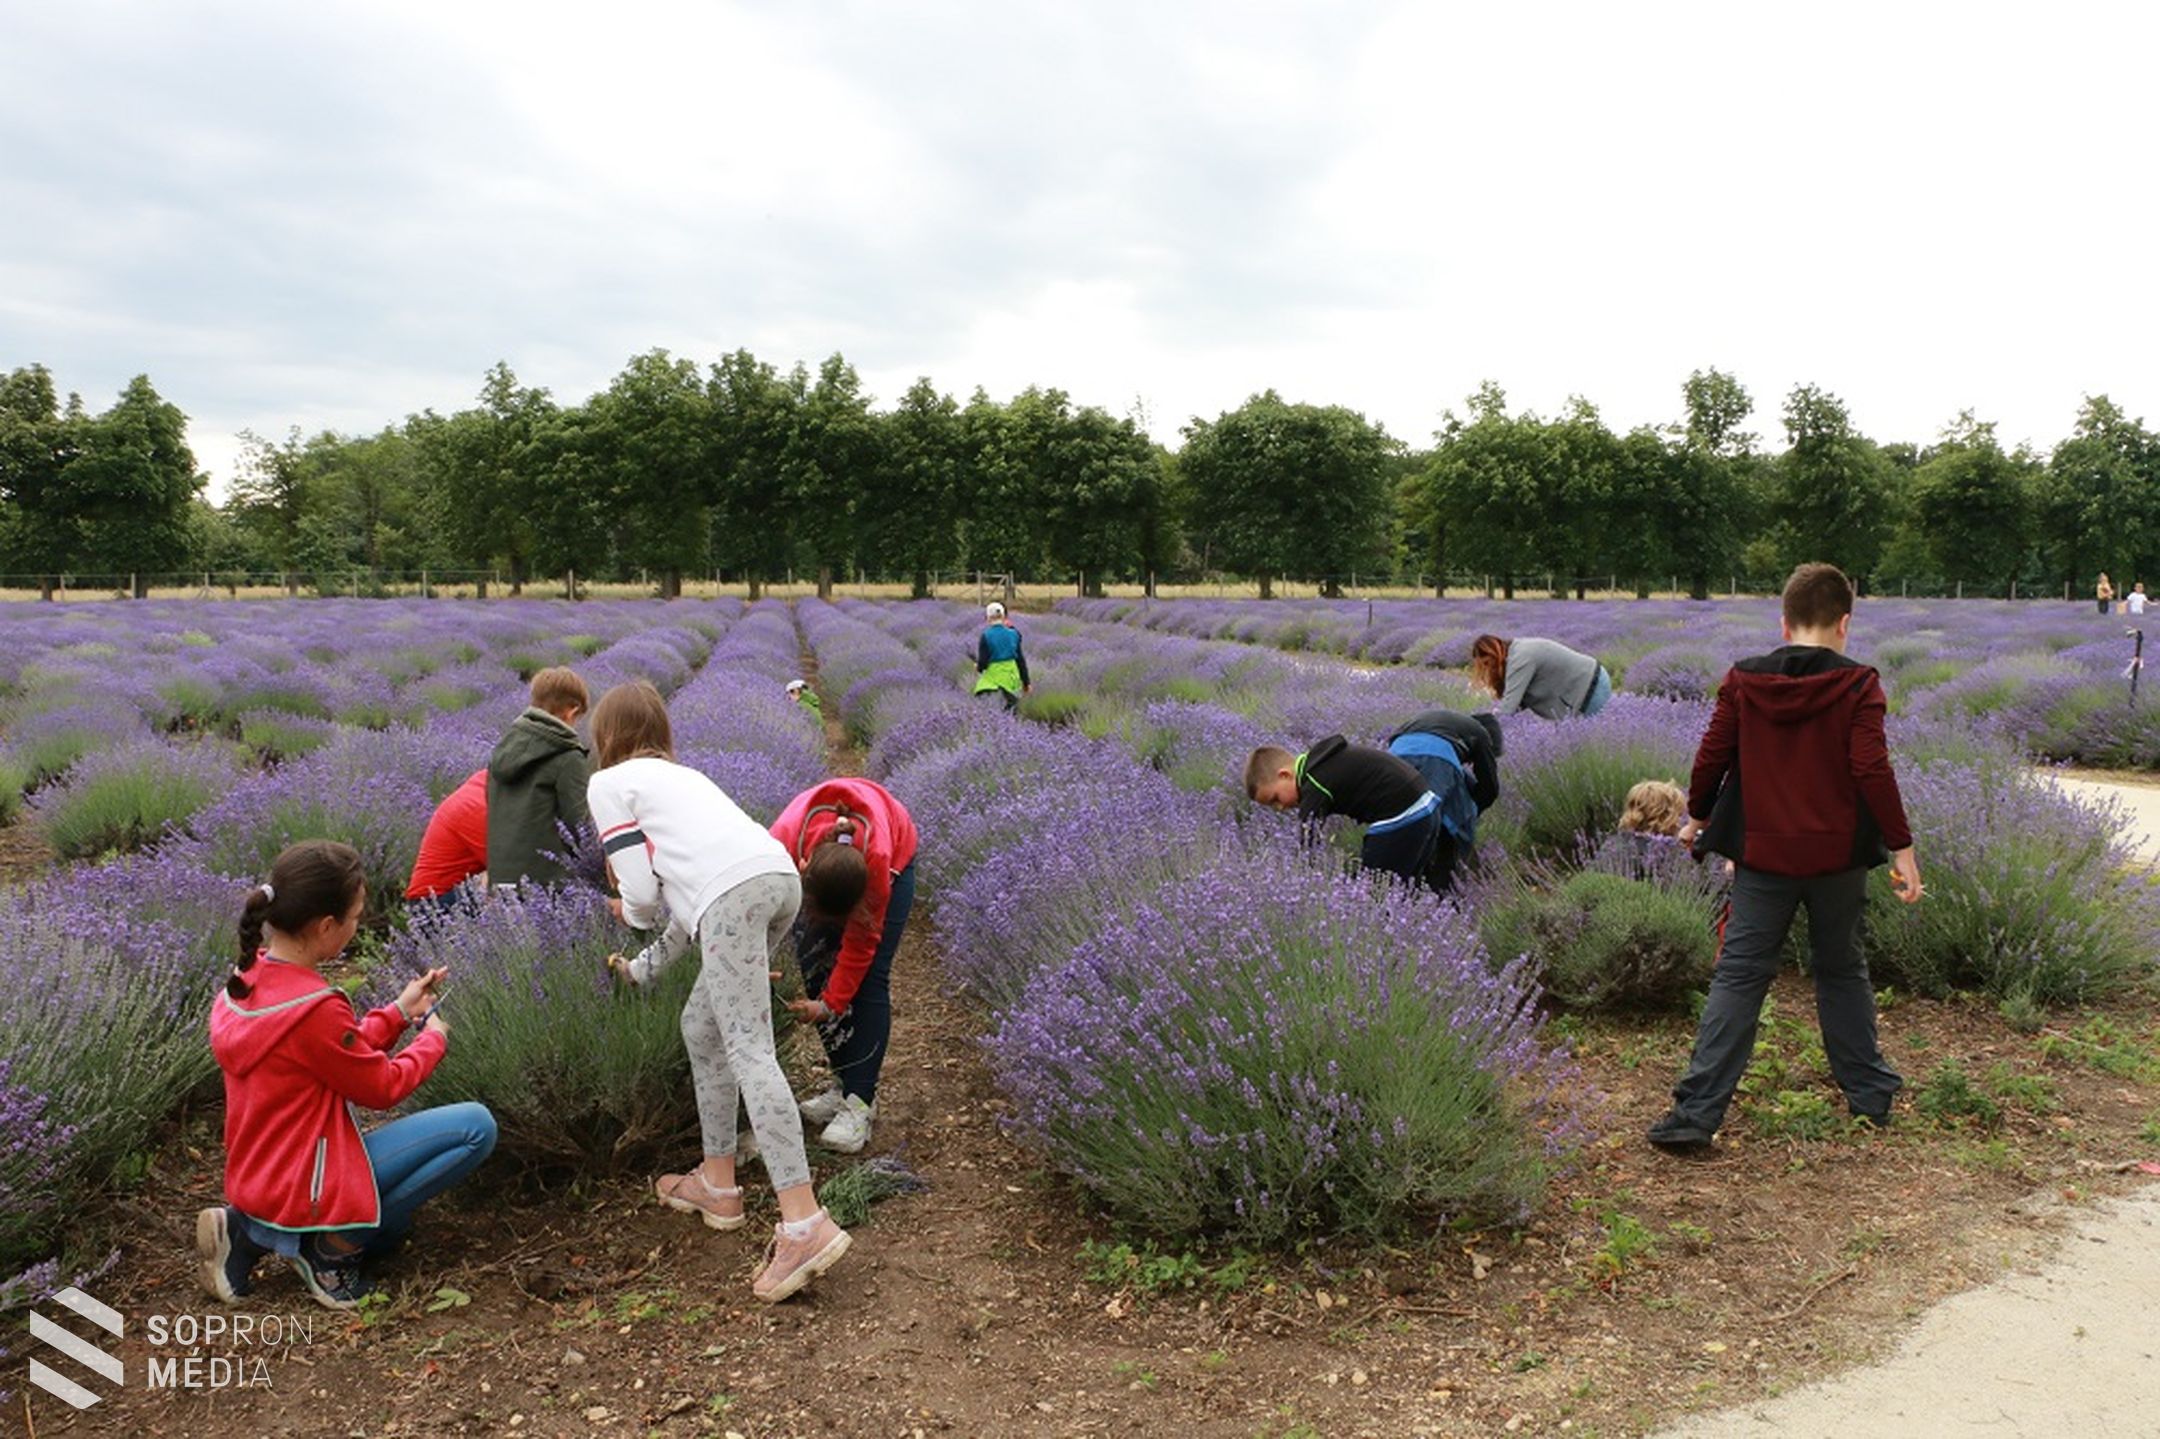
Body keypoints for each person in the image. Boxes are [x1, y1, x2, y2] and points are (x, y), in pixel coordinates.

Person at [1647, 563, 1923, 1156]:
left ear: (1785, 622)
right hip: (1838, 857)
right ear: (1845, 624)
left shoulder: (1745, 680)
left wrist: (1697, 818)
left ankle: (1695, 1115)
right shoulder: (1860, 684)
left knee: (1741, 974)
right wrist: (1901, 847)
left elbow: (1711, 756)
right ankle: (1870, 1098)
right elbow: (1871, 769)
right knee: (1842, 970)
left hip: (1763, 855)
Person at [589, 679, 850, 1303]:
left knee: (748, 1048)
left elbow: (648, 903)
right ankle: (717, 1181)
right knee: (702, 1029)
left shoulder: (609, 784)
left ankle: (804, 1222)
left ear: (606, 736)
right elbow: (690, 907)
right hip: (777, 878)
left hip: (736, 898)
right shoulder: (686, 780)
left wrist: (623, 906)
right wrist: (642, 969)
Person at [200, 840, 495, 1311]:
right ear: (325, 927)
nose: (357, 927)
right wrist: (433, 1038)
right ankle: (332, 1253)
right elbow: (382, 1087)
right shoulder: (314, 1008)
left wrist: (398, 1012)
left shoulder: (248, 977)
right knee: (475, 1128)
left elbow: (333, 1053)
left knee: (395, 1229)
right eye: (356, 917)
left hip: (258, 1175)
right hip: (307, 1181)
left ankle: (248, 1231)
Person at [767, 778, 919, 1153]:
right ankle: (842, 1084)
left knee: (868, 981)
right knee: (815, 964)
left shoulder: (878, 864)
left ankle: (860, 1101)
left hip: (895, 847)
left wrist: (830, 1005)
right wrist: (757, 959)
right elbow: (761, 910)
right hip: (818, 862)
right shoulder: (779, 847)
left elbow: (861, 947)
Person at [1245, 736, 1447, 890]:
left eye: (1275, 799)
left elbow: (1308, 839)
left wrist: (1303, 880)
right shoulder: (1320, 761)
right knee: (1406, 887)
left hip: (1402, 815)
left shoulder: (1313, 782)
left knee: (1373, 893)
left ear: (1285, 775)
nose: (1279, 808)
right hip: (1426, 805)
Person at [487, 667, 591, 890]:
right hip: (547, 886)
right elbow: (580, 826)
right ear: (571, 712)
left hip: (501, 880)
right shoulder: (568, 757)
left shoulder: (503, 751)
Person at [1382, 709, 1504, 891]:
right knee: (1444, 823)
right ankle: (1440, 888)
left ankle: (1392, 887)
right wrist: (1471, 812)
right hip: (1435, 757)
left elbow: (1395, 740)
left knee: (1399, 820)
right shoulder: (1481, 733)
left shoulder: (1441, 723)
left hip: (1392, 758)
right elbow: (1490, 788)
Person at [1469, 635, 1612, 719]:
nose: (1488, 669)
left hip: (1590, 685)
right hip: (1592, 678)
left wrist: (1484, 729)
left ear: (1495, 653)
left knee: (1583, 743)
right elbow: (1517, 704)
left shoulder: (1520, 658)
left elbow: (1509, 708)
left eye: (1487, 663)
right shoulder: (1515, 653)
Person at [405, 769, 488, 912]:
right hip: (433, 905)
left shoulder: (485, 784)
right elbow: (509, 868)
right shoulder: (476, 806)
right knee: (506, 883)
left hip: (458, 890)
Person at [973, 602, 1032, 713]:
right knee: (1011, 714)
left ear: (988, 618)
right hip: (1010, 681)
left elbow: (983, 664)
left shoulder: (986, 636)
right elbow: (1020, 661)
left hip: (991, 682)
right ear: (1004, 616)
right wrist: (1026, 683)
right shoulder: (1014, 634)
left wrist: (978, 666)